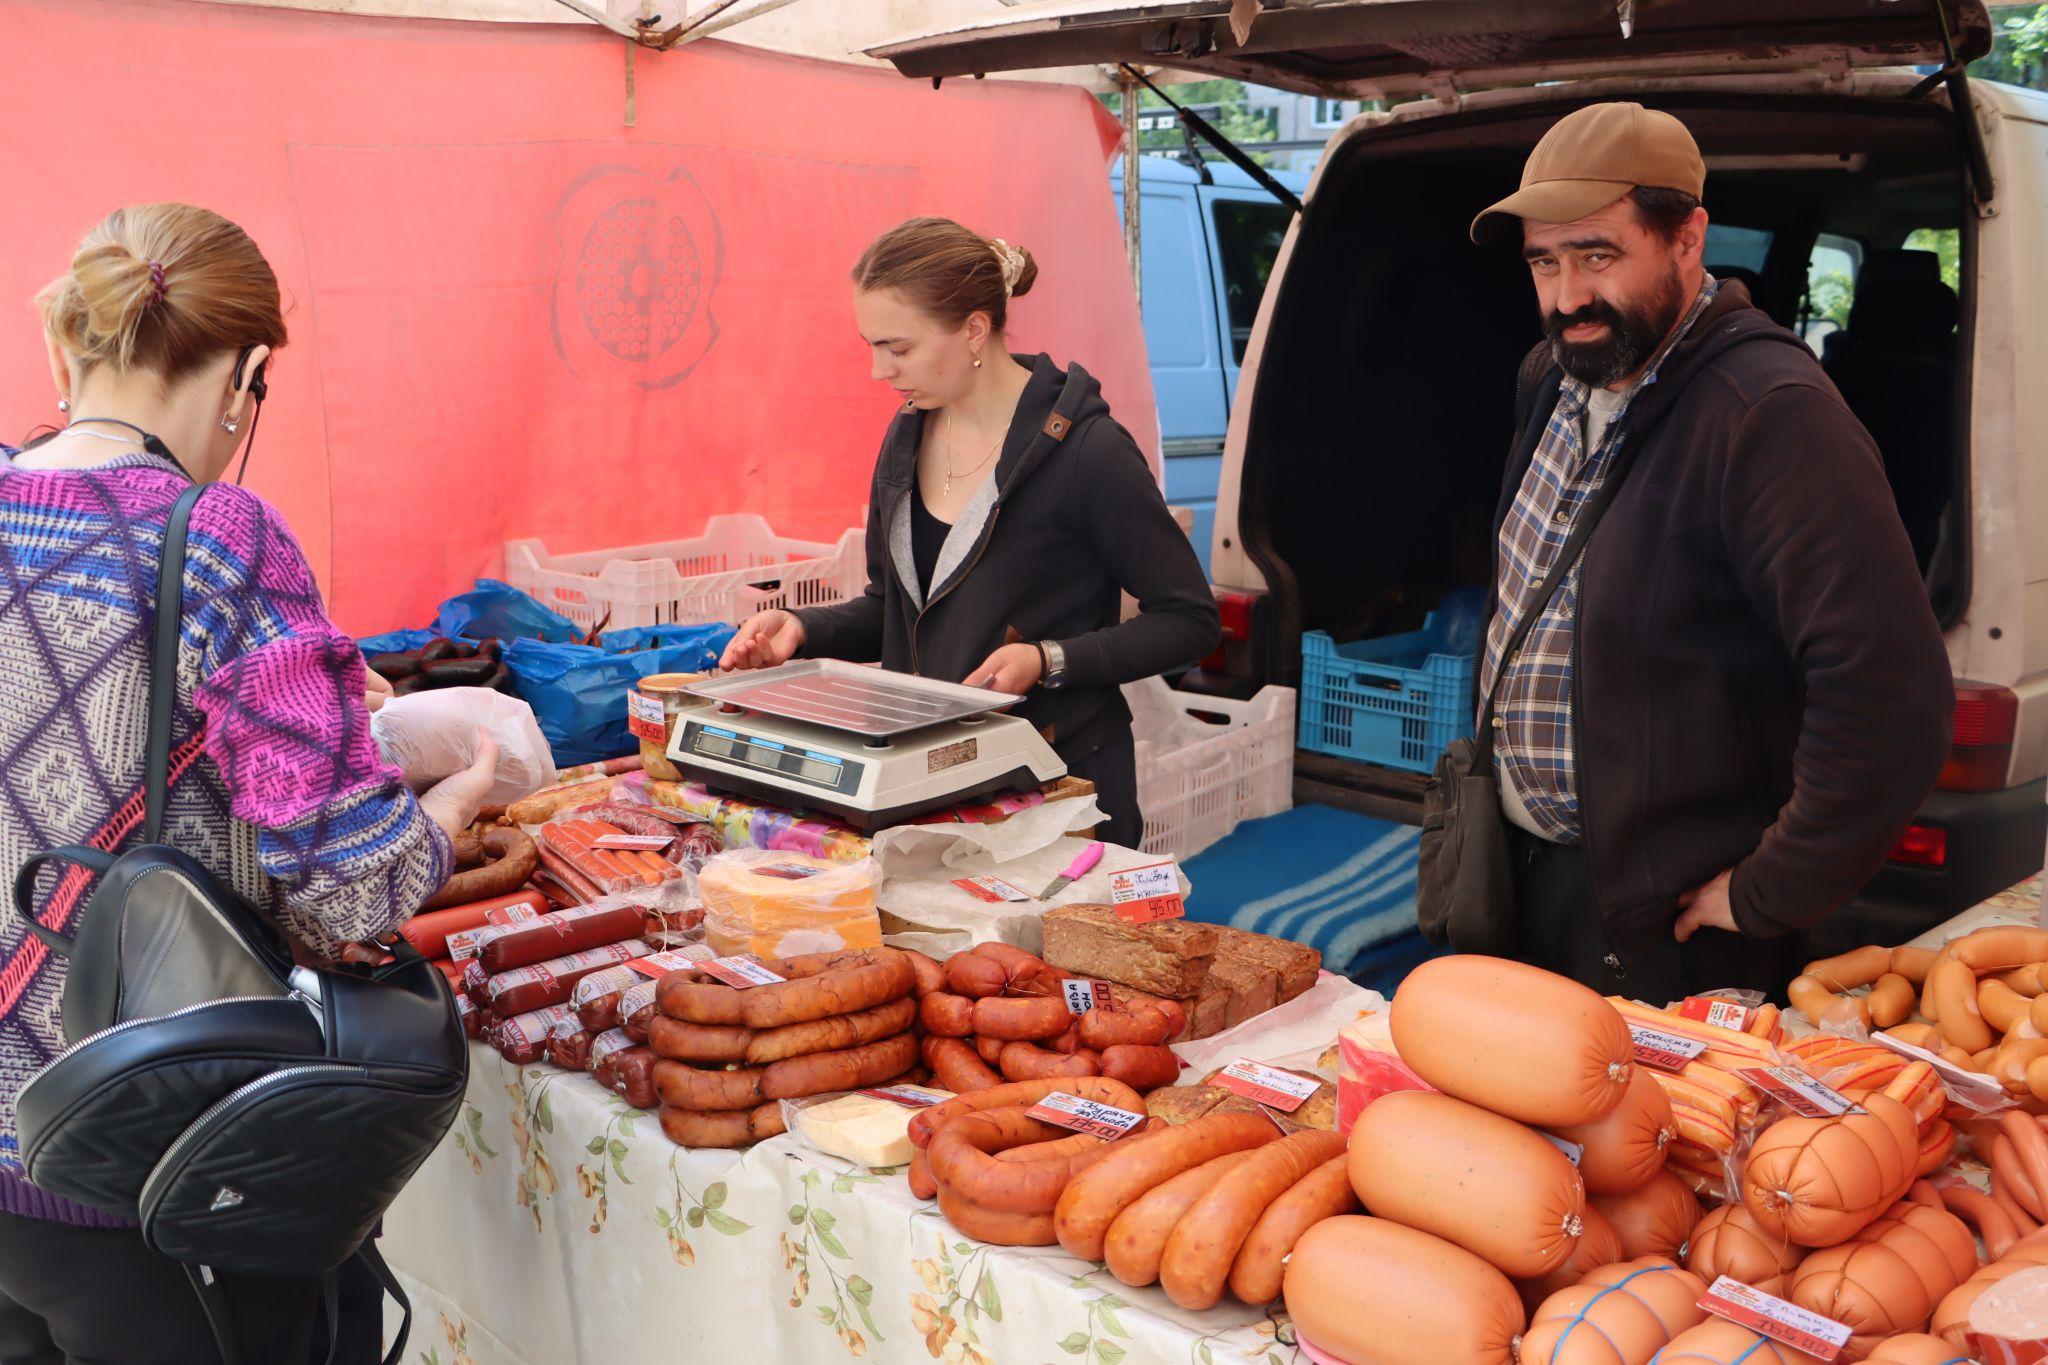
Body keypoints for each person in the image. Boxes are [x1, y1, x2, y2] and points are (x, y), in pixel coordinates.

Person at [0, 204, 496, 1363]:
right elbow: (348, 890)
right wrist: (443, 811)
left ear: (66, 349)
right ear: (247, 372)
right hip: (146, 1158)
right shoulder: (225, 539)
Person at [1468, 103, 1954, 999]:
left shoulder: (1768, 414)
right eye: (1545, 261)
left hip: (1673, 926)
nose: (1567, 295)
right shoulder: (1555, 378)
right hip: (1534, 885)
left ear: (1688, 237)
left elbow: (1892, 692)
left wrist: (1772, 890)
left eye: (1598, 255)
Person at [720, 217, 1220, 846]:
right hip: (931, 791)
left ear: (975, 330)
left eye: (898, 348)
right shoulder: (907, 435)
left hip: (1058, 794)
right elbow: (894, 612)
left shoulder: (1089, 452)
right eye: (871, 345)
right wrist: (804, 628)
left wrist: (1047, 660)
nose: (879, 371)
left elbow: (1190, 620)